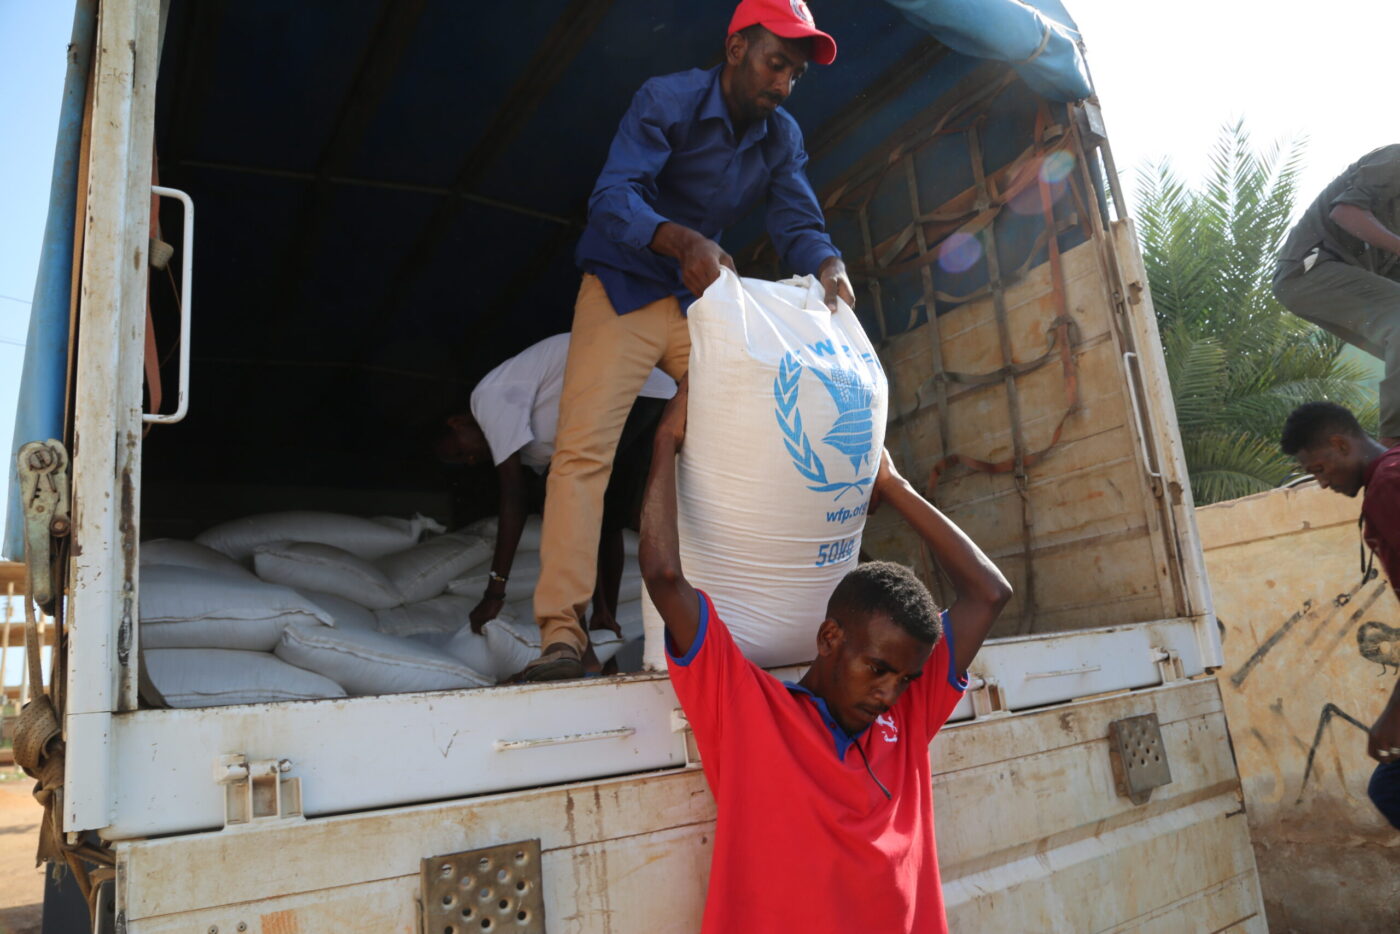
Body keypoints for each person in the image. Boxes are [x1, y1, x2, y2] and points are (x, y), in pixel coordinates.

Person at [524, 0, 856, 681]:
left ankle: (736, 627)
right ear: (736, 49)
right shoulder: (666, 99)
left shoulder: (780, 135)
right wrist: (682, 239)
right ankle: (562, 637)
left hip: (700, 306)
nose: (783, 84)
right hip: (624, 288)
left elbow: (797, 220)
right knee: (583, 454)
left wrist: (829, 265)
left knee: (751, 446)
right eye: (775, 64)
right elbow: (614, 197)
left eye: (794, 74)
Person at [640, 378, 1012, 932]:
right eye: (878, 669)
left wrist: (893, 485)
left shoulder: (903, 721)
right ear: (830, 638)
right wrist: (666, 440)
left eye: (907, 679)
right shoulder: (748, 712)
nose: (890, 694)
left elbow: (989, 592)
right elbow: (666, 576)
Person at [434, 333, 675, 641]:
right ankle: (604, 618)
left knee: (562, 508)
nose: (469, 460)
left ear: (456, 422)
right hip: (651, 393)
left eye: (458, 451)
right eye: (463, 462)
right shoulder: (530, 449)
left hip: (622, 384)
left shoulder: (487, 400)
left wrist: (495, 592)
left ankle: (575, 631)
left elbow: (514, 496)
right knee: (607, 516)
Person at [1281, 401, 1400, 828]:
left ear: (1339, 444)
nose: (1323, 482)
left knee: (1390, 789)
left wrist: (1395, 711)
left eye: (1319, 469)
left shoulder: (1388, 482)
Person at [1274, 146, 1400, 446]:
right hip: (1310, 270)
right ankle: (1393, 445)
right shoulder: (1395, 159)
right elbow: (1346, 212)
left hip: (1332, 280)